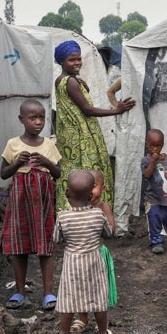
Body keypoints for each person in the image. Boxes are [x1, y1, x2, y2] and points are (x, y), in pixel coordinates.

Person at [53, 40, 136, 210]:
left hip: (70, 137)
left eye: (78, 59)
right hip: (80, 136)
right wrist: (117, 110)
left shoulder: (63, 80)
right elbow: (87, 109)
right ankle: (91, 211)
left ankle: (70, 211)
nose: (77, 63)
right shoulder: (70, 82)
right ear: (62, 61)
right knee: (88, 173)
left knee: (73, 173)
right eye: (72, 60)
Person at [0, 99, 62, 310]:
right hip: (20, 201)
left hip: (43, 201)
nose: (38, 122)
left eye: (42, 117)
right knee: (19, 246)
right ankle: (19, 292)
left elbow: (58, 174)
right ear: (21, 119)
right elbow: (3, 173)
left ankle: (48, 293)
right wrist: (18, 162)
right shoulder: (13, 144)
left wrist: (46, 162)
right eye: (33, 118)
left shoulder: (49, 145)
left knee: (45, 245)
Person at [51, 170, 114, 334]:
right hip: (94, 261)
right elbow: (108, 232)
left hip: (72, 264)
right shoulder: (98, 214)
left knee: (69, 298)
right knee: (98, 297)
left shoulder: (63, 217)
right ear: (90, 195)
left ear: (67, 192)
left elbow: (56, 239)